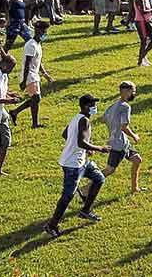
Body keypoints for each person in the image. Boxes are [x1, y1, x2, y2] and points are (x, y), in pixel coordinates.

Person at [44, 94, 111, 237]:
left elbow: (65, 134)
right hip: (73, 165)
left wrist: (86, 149)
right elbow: (80, 142)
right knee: (67, 196)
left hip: (82, 161)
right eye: (93, 105)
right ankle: (52, 225)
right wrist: (99, 148)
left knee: (99, 178)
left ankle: (85, 211)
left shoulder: (76, 118)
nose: (95, 108)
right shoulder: (84, 121)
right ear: (86, 106)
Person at [93, 80, 144, 194]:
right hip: (118, 144)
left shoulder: (112, 106)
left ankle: (134, 188)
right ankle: (86, 189)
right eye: (133, 91)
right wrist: (134, 136)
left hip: (122, 142)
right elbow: (124, 127)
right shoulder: (125, 107)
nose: (134, 94)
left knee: (137, 160)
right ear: (127, 91)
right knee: (110, 169)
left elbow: (104, 119)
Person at [10, 19, 54, 129]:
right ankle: (34, 123)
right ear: (38, 31)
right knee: (36, 98)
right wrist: (24, 81)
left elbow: (38, 62)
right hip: (30, 75)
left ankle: (15, 112)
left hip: (34, 75)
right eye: (43, 31)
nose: (45, 34)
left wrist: (45, 74)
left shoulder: (38, 44)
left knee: (35, 99)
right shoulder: (31, 45)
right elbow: (27, 64)